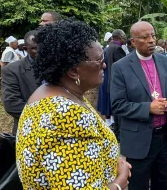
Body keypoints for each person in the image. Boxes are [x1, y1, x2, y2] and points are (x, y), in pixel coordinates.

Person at [15, 19, 131, 190]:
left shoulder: (55, 94)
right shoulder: (65, 116)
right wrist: (119, 182)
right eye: (99, 60)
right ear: (73, 70)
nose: (104, 65)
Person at [110, 21, 167, 190]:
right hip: (138, 140)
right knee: (138, 185)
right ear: (133, 42)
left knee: (163, 184)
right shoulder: (121, 67)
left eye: (153, 35)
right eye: (145, 37)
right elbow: (118, 105)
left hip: (165, 137)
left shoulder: (164, 61)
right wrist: (147, 108)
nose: (151, 40)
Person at [1, 31, 39, 135]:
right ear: (25, 48)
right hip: (29, 132)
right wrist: (50, 115)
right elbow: (11, 104)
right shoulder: (11, 70)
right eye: (34, 48)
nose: (40, 51)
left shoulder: (59, 67)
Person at [104, 29, 128, 139]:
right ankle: (119, 133)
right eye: (124, 37)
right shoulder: (117, 49)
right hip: (118, 84)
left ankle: (117, 133)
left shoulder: (109, 48)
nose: (125, 39)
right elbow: (123, 67)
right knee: (120, 109)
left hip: (111, 82)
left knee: (116, 109)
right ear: (119, 38)